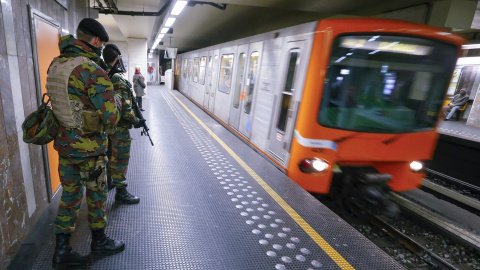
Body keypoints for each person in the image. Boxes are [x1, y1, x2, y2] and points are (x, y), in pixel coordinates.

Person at [46, 18, 124, 269]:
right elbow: (111, 117)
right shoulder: (92, 70)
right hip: (89, 148)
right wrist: (120, 99)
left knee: (69, 194)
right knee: (97, 194)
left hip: (64, 144)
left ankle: (62, 250)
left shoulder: (57, 64)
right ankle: (99, 242)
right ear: (97, 41)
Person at [103, 44, 143, 204]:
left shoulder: (101, 74)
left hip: (106, 126)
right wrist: (137, 120)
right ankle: (121, 192)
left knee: (109, 155)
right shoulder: (118, 78)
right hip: (119, 128)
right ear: (117, 59)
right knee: (120, 158)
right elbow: (126, 108)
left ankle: (110, 181)